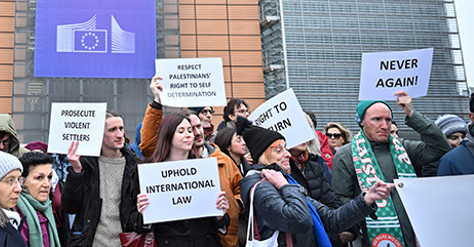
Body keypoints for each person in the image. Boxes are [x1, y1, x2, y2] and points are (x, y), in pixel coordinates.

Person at [237, 117, 393, 246]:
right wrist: (285, 186)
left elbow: (331, 219)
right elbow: (299, 220)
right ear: (264, 155)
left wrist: (367, 199)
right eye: (279, 150)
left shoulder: (284, 181)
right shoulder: (260, 185)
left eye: (286, 148)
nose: (288, 154)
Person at [331, 91, 450, 247]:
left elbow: (441, 148)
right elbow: (341, 198)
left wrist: (412, 114)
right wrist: (370, 211)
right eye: (377, 119)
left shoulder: (403, 147)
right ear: (362, 122)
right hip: (375, 235)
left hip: (415, 233)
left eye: (388, 120)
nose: (384, 125)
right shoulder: (346, 155)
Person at [136, 112, 231, 246]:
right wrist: (144, 212)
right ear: (168, 135)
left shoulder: (204, 170)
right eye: (181, 131)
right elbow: (136, 224)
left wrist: (220, 215)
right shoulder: (150, 173)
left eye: (189, 130)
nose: (188, 135)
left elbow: (219, 226)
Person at [62, 110, 139, 246]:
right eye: (112, 130)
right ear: (99, 134)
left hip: (125, 242)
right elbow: (70, 207)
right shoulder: (86, 164)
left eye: (121, 128)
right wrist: (76, 171)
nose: (120, 134)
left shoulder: (134, 165)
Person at [17, 152, 66, 247]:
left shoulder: (47, 208)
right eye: (39, 178)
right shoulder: (15, 212)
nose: (47, 184)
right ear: (22, 181)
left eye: (50, 177)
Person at [438, 94, 474, 176]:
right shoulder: (450, 161)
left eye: (462, 136)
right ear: (472, 117)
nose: (460, 141)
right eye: (454, 137)